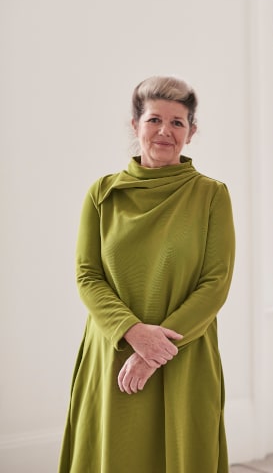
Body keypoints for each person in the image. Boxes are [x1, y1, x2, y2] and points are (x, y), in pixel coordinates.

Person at [58, 76, 236, 473]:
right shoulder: (102, 193)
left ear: (191, 132)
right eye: (154, 119)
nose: (164, 131)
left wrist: (156, 352)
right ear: (135, 124)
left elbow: (215, 283)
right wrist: (133, 333)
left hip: (184, 354)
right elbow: (87, 275)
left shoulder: (211, 195)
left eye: (177, 122)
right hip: (113, 350)